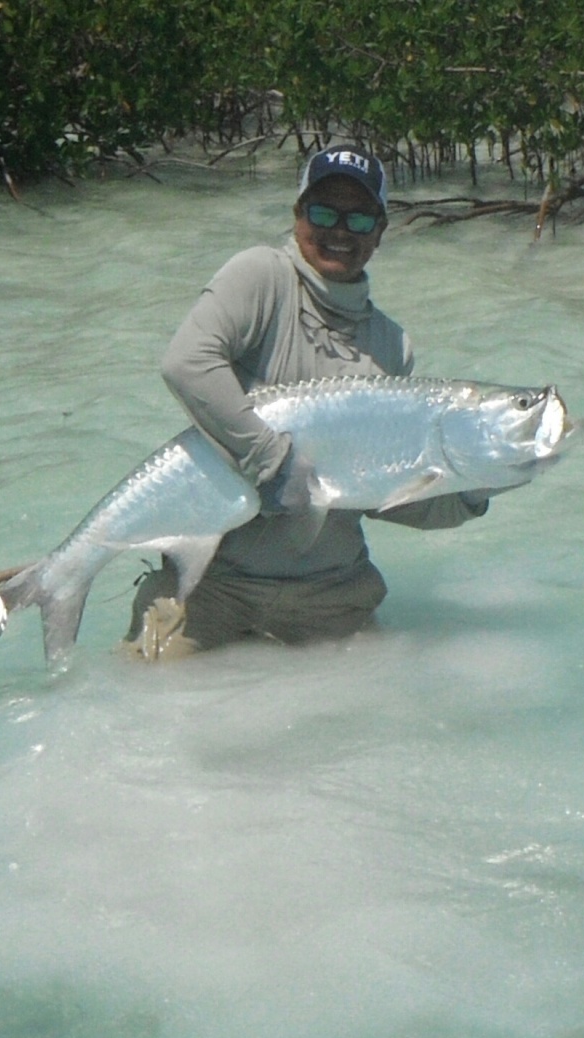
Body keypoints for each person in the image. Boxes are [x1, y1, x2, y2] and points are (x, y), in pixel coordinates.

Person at [124, 144, 489, 661]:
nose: (340, 231)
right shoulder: (261, 278)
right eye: (323, 212)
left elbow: (384, 496)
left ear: (380, 232)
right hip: (210, 584)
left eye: (360, 217)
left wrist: (476, 485)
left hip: (333, 592)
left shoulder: (392, 345)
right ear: (297, 217)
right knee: (134, 711)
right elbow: (186, 363)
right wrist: (275, 463)